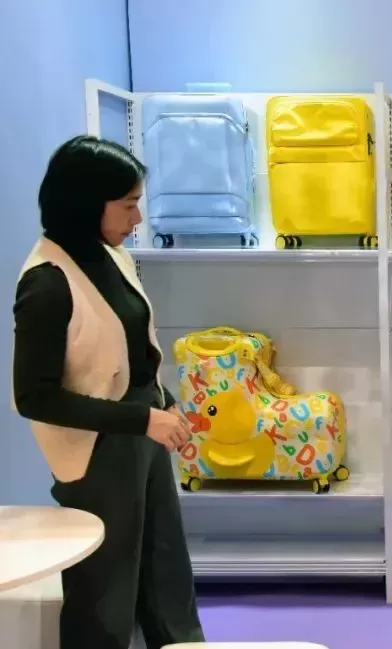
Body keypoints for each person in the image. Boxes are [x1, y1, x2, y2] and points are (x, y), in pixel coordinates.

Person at [12, 135, 205, 649]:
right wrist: (143, 419)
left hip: (143, 427)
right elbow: (34, 398)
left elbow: (131, 349)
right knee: (106, 588)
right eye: (127, 204)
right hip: (97, 448)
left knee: (166, 569)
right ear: (85, 202)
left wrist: (163, 402)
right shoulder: (47, 283)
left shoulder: (110, 256)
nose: (137, 218)